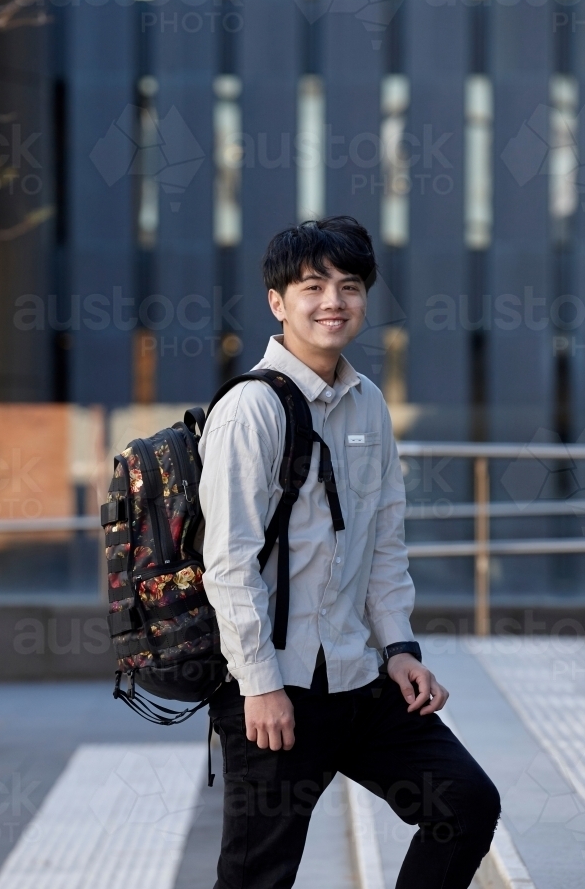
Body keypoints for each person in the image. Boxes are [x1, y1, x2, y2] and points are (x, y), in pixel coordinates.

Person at [198, 217, 500, 889]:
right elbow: (227, 563)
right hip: (276, 691)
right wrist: (260, 685)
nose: (333, 299)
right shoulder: (251, 410)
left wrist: (398, 650)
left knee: (465, 803)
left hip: (358, 678)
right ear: (278, 302)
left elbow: (382, 543)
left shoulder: (368, 406)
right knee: (257, 876)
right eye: (312, 285)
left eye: (349, 285)